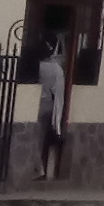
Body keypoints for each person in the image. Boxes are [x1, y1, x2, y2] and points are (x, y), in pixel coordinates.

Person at [32, 36, 71, 183]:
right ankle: (45, 169)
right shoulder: (56, 68)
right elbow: (59, 90)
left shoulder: (39, 66)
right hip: (51, 105)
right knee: (44, 138)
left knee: (36, 138)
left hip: (39, 105)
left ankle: (39, 169)